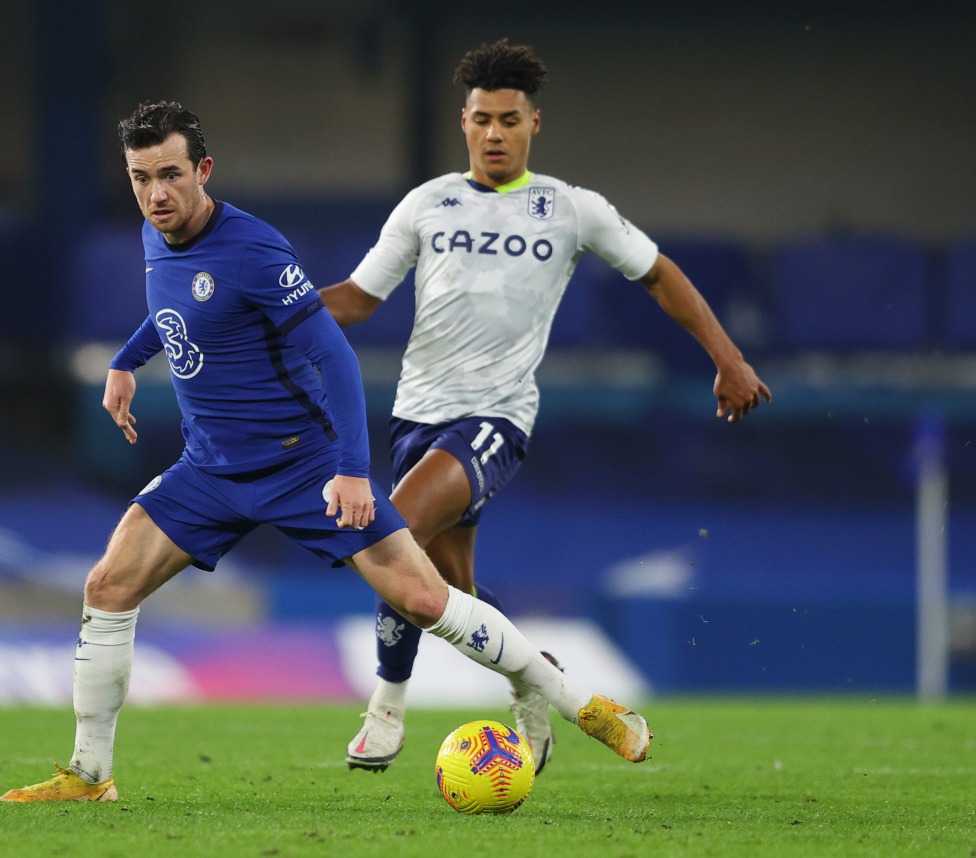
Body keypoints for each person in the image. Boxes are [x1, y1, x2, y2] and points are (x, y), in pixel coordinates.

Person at [0, 100, 651, 803]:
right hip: (209, 468)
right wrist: (127, 360)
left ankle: (578, 702)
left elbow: (333, 355)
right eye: (140, 178)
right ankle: (90, 775)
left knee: (424, 598)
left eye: (170, 175)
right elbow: (177, 307)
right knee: (107, 586)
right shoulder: (155, 232)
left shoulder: (254, 250)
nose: (156, 193)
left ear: (203, 170)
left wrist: (351, 471)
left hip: (300, 465)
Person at [320, 39, 770, 774]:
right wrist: (273, 310)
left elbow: (660, 274)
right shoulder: (428, 203)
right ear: (463, 123)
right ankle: (535, 676)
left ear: (535, 123)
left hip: (495, 418)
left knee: (389, 536)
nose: (494, 133)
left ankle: (388, 710)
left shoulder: (571, 209)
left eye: (509, 119)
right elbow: (357, 300)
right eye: (481, 119)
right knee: (450, 591)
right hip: (416, 417)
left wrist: (729, 358)